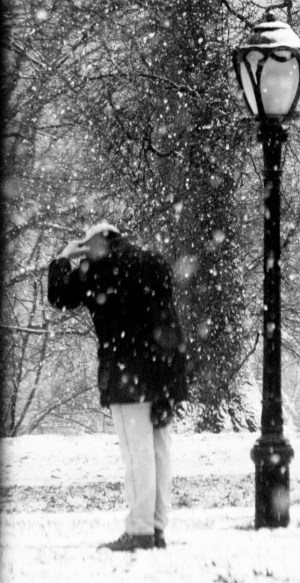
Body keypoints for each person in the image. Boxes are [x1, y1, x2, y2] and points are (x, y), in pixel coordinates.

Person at [48, 221, 188, 552]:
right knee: (159, 450)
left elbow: (59, 296)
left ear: (97, 243)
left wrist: (63, 258)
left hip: (127, 372)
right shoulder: (153, 262)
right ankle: (156, 526)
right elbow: (167, 316)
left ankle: (139, 531)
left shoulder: (98, 268)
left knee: (136, 452)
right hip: (165, 367)